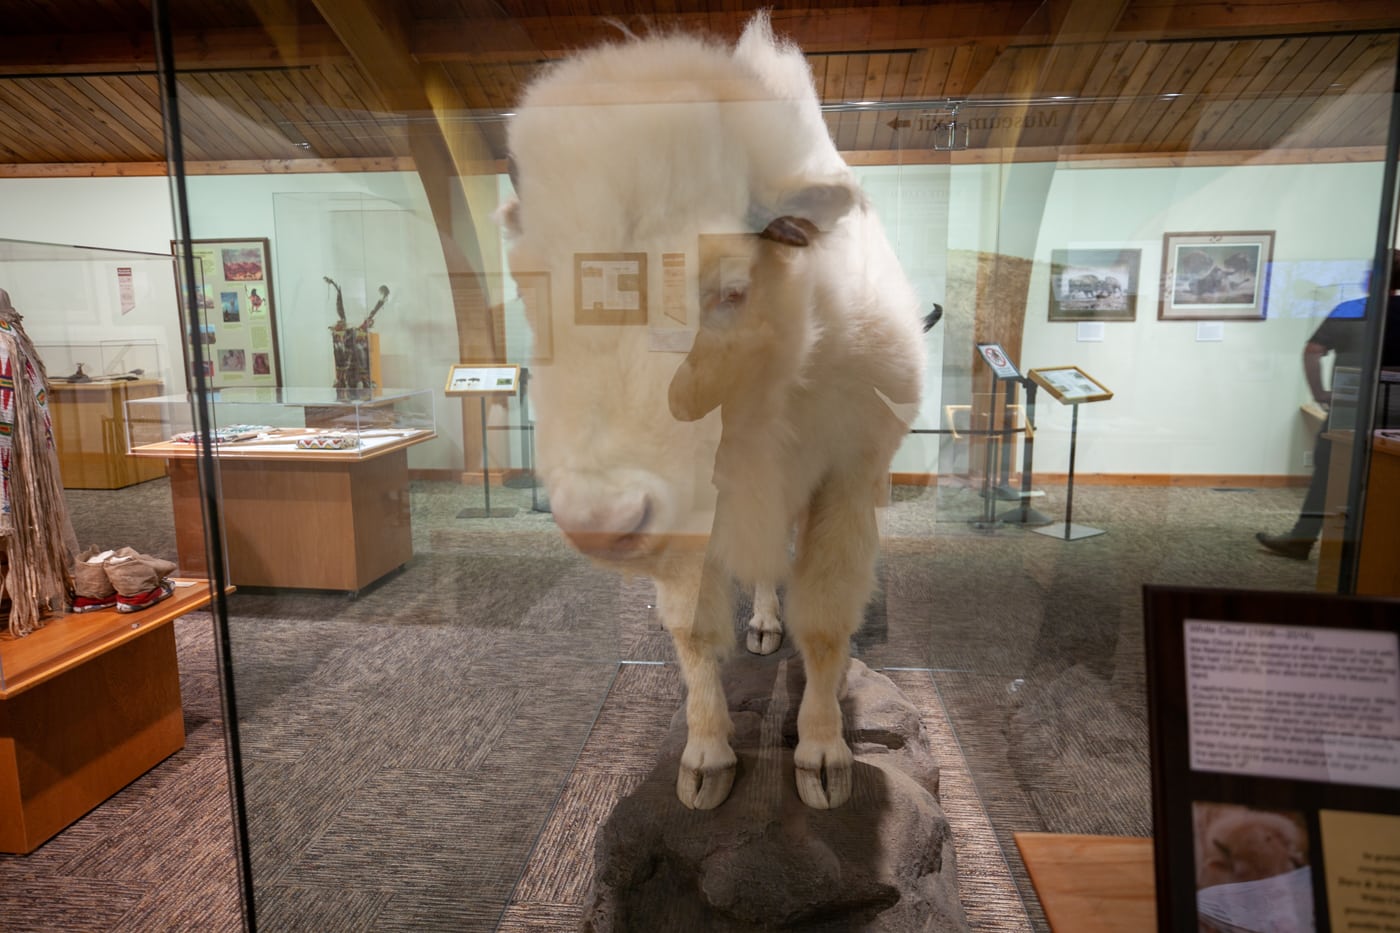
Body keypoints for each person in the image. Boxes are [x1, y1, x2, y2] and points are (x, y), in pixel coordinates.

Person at [1257, 250, 1400, 559]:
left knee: (1328, 473)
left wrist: (1321, 393)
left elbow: (1312, 351)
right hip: (1395, 413)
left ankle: (1302, 539)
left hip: (1352, 406)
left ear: (1373, 276)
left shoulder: (1351, 310)